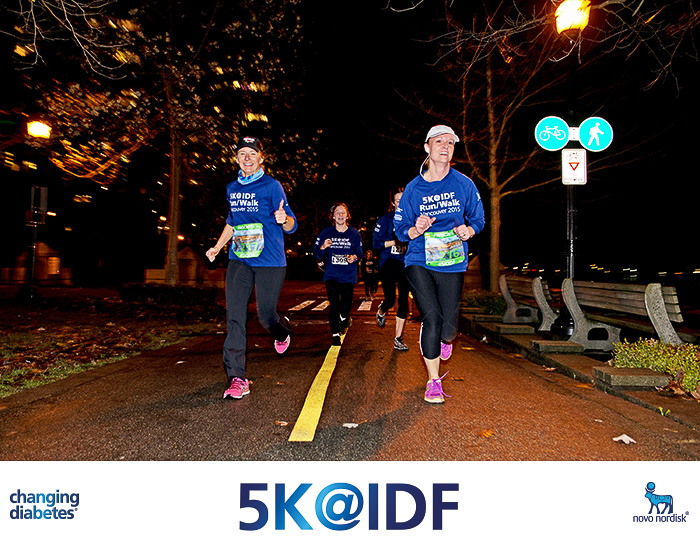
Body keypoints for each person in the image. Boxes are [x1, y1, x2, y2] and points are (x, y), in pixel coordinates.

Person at [394, 125, 485, 404]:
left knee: (448, 329)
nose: (445, 146)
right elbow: (401, 230)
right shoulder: (413, 188)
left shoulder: (464, 184)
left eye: (450, 143)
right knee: (431, 318)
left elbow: (478, 219)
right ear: (427, 148)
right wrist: (416, 229)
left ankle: (445, 339)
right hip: (419, 259)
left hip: (452, 260)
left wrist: (469, 231)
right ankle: (433, 381)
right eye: (439, 142)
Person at [206, 136, 297, 400]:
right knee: (234, 316)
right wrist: (218, 247)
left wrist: (284, 219)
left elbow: (292, 225)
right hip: (240, 258)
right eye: (242, 153)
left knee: (265, 316)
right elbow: (232, 222)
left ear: (261, 158)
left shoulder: (272, 186)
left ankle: (281, 331)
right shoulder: (232, 188)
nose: (247, 158)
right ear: (236, 159)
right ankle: (237, 377)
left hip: (270, 260)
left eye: (252, 153)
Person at [314, 203, 363, 346]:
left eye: (343, 212)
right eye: (337, 212)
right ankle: (335, 335)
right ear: (333, 216)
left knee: (346, 306)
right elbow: (317, 253)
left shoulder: (354, 233)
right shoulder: (326, 233)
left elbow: (359, 253)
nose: (340, 215)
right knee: (334, 305)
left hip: (348, 276)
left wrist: (354, 257)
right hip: (332, 275)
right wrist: (323, 247)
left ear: (348, 216)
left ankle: (344, 318)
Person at [373, 187, 410, 351]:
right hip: (388, 261)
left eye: (403, 199)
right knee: (390, 300)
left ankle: (398, 338)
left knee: (403, 301)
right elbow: (375, 244)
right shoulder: (385, 220)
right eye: (397, 200)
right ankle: (382, 310)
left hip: (405, 263)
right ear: (393, 203)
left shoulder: (412, 220)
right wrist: (396, 242)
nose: (401, 203)